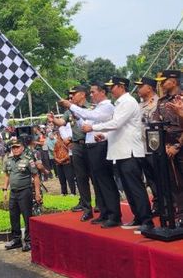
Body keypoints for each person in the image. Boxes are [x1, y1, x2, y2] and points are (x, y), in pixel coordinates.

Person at [82, 77, 153, 232]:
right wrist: (105, 136)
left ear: (121, 87)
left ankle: (147, 220)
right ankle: (139, 217)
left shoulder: (127, 102)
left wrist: (93, 127)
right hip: (121, 151)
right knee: (128, 188)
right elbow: (120, 128)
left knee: (135, 187)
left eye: (112, 86)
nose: (110, 90)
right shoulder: (120, 103)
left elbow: (116, 124)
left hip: (130, 151)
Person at [61, 82, 121, 228]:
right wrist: (75, 113)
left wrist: (71, 106)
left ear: (102, 92)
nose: (91, 95)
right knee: (99, 182)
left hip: (100, 145)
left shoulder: (107, 106)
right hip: (92, 146)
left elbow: (90, 116)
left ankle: (114, 215)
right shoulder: (98, 108)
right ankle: (105, 212)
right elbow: (85, 123)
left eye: (93, 92)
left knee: (105, 182)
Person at [48, 86, 93, 222]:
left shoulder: (91, 108)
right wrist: (53, 120)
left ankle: (102, 206)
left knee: (96, 176)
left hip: (91, 144)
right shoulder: (70, 110)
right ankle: (86, 208)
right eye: (70, 94)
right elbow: (62, 122)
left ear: (82, 95)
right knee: (81, 177)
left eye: (74, 94)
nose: (71, 96)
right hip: (77, 145)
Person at [152, 70, 183, 221]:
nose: (161, 84)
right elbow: (157, 123)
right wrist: (163, 145)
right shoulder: (161, 101)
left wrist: (177, 146)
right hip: (167, 145)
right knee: (174, 183)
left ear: (174, 81)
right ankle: (180, 214)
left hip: (180, 144)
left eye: (164, 81)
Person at [3, 140, 42, 252]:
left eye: (17, 147)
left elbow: (35, 176)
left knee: (27, 216)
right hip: (13, 192)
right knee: (13, 216)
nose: (15, 149)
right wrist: (5, 189)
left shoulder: (28, 160)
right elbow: (7, 175)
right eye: (13, 147)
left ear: (22, 148)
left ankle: (29, 241)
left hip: (25, 191)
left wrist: (38, 193)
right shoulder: (9, 161)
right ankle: (16, 239)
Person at [135, 77, 160, 215]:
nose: (138, 89)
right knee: (150, 179)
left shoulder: (158, 102)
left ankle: (168, 203)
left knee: (160, 177)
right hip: (142, 147)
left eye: (141, 86)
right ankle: (158, 203)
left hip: (156, 147)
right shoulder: (139, 105)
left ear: (149, 88)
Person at [54, 131, 76, 195]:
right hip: (58, 163)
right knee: (61, 178)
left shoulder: (68, 142)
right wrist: (56, 159)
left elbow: (70, 152)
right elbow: (54, 151)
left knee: (70, 178)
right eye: (57, 135)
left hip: (67, 162)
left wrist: (63, 159)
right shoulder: (56, 143)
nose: (58, 136)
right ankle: (64, 192)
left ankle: (73, 192)